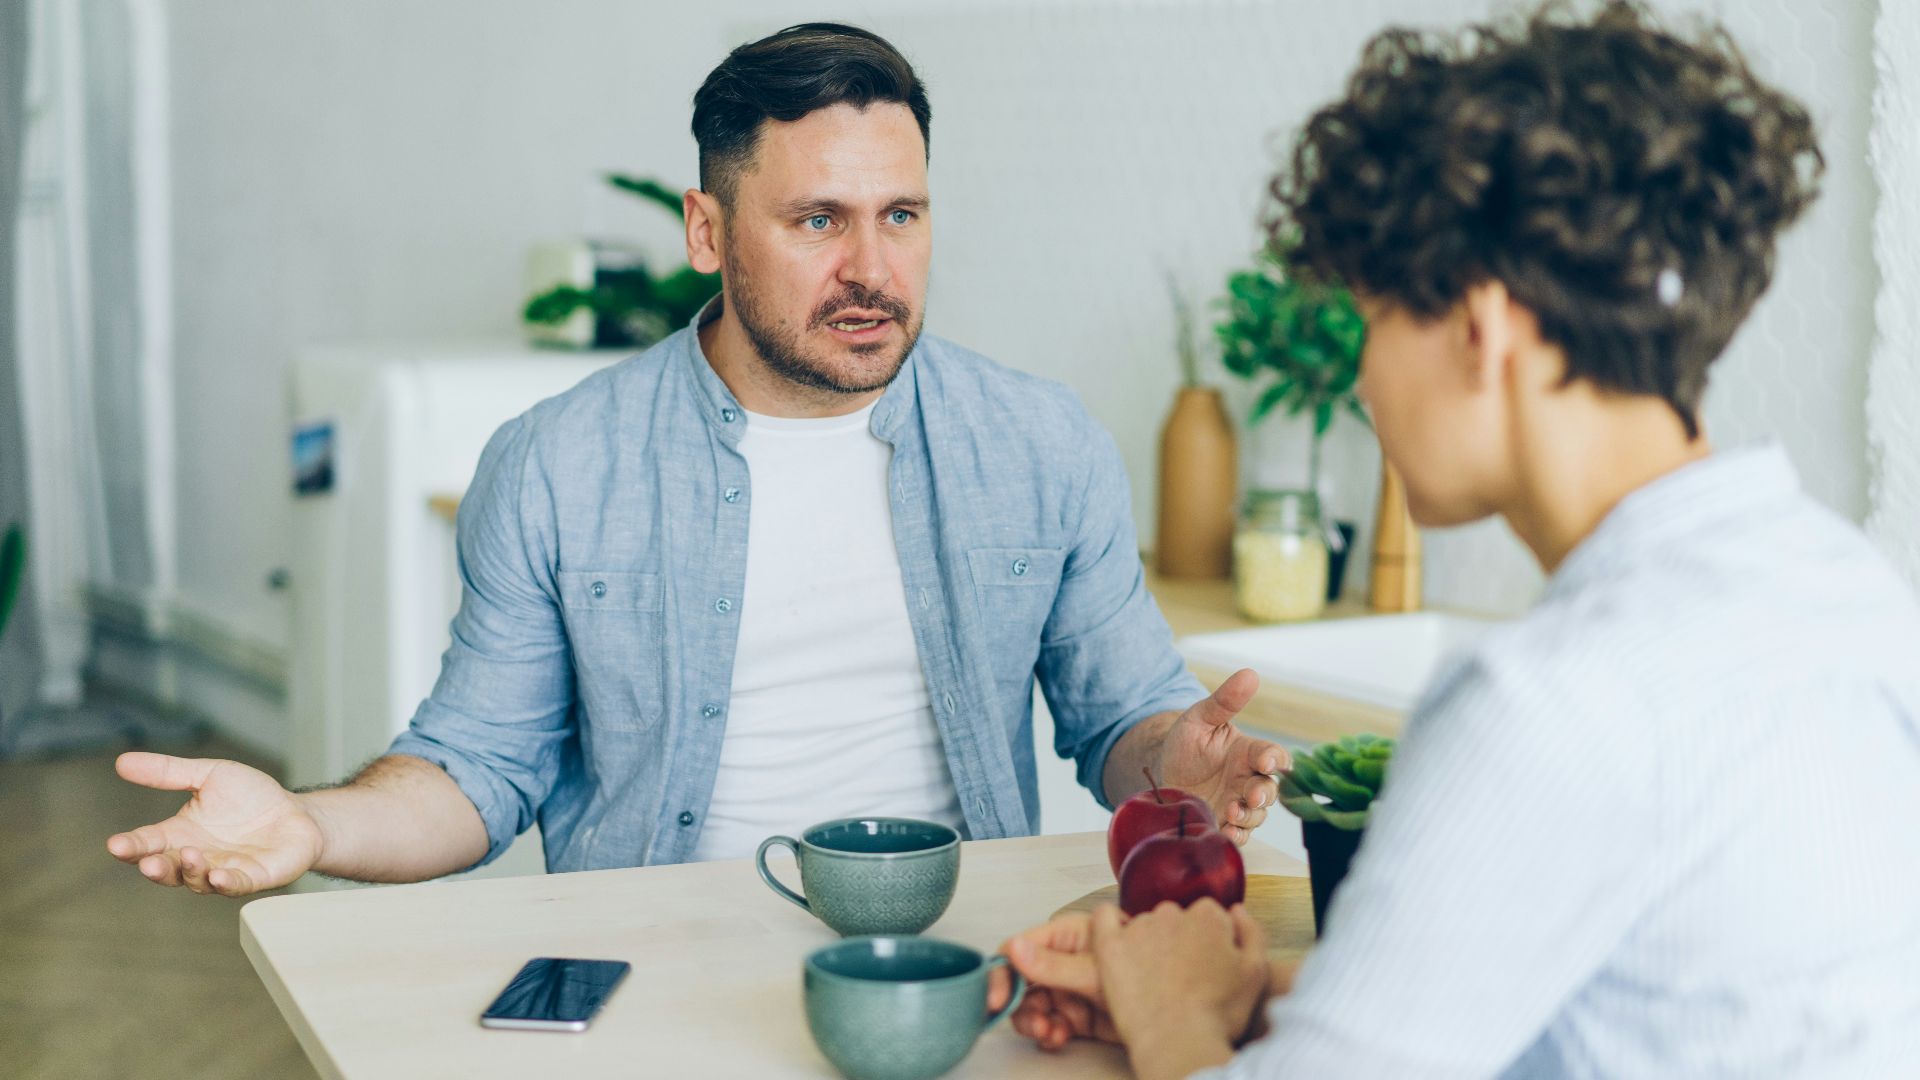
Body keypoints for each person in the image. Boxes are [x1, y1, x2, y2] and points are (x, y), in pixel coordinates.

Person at [105, 23, 1287, 896]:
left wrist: (1173, 757)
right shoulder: (560, 465)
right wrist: (311, 825)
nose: (873, 269)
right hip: (649, 960)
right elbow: (475, 771)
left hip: (956, 960)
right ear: (708, 231)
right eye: (818, 221)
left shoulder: (1041, 444)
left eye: (903, 216)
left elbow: (1120, 721)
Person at [994, 3, 1920, 1076]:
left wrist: (1173, 1018)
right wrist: (1246, 996)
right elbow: (1645, 1007)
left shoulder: (1554, 703)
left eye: (1372, 318)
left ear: (1479, 331)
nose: (1361, 378)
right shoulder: (1849, 591)